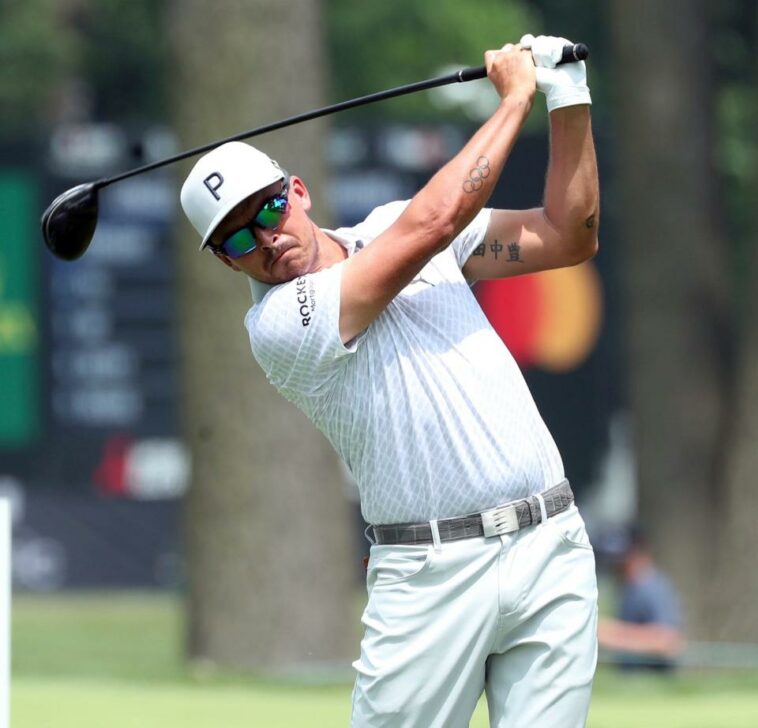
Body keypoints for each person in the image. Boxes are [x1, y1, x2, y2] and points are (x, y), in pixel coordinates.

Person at [180, 34, 599, 728]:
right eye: (237, 239)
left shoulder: (387, 227)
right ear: (227, 264)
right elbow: (434, 221)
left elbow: (569, 235)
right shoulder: (280, 325)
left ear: (299, 191)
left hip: (550, 543)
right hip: (429, 578)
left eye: (267, 209)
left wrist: (566, 94)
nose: (266, 238)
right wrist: (516, 97)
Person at [597, 527, 684, 671]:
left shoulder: (652, 588)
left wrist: (611, 634)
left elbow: (668, 641)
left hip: (655, 684)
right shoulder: (628, 587)